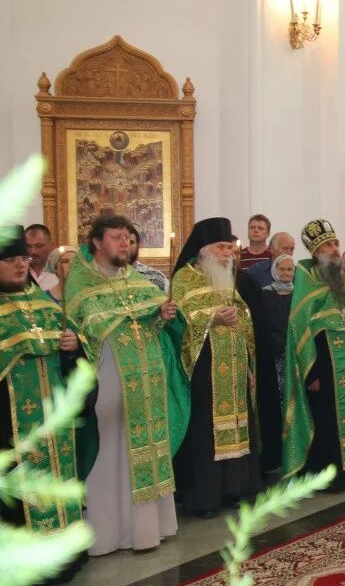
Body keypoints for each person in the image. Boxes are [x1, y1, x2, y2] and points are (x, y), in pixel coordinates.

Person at [65, 215, 189, 555]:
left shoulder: (134, 278)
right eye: (117, 237)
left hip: (146, 384)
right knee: (110, 456)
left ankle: (147, 530)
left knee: (145, 450)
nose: (125, 244)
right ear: (97, 242)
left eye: (127, 238)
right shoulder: (81, 281)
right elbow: (82, 329)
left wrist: (162, 316)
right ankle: (108, 534)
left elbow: (150, 321)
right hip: (107, 382)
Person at [0, 233, 86, 581]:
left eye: (24, 258)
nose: (22, 264)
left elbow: (76, 366)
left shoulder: (49, 308)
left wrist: (72, 347)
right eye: (11, 260)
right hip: (8, 424)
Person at [280, 220, 345, 490]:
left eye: (336, 243)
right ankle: (329, 475)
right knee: (327, 422)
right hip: (324, 368)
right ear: (317, 252)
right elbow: (301, 332)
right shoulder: (307, 282)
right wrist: (311, 373)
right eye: (329, 245)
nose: (335, 248)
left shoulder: (343, 283)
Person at [169, 218, 262, 518]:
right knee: (205, 433)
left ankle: (234, 488)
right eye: (222, 248)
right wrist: (213, 319)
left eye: (229, 249)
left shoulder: (228, 280)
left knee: (236, 426)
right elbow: (180, 322)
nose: (228, 254)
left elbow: (245, 322)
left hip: (233, 369)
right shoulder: (185, 278)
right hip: (203, 371)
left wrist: (248, 365)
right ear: (204, 250)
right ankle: (204, 496)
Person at [255, 254, 295, 474]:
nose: (286, 273)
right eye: (282, 269)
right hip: (273, 357)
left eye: (290, 270)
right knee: (276, 405)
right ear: (274, 270)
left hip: (293, 355)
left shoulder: (298, 294)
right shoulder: (265, 294)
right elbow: (263, 326)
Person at [128, 224, 169, 292]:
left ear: (138, 245)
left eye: (131, 242)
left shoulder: (157, 277)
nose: (126, 246)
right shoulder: (106, 277)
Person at [24, 224, 57, 294]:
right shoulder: (18, 272)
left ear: (51, 245)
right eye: (28, 246)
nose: (33, 251)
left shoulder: (59, 273)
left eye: (39, 246)